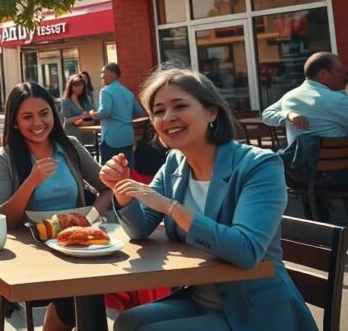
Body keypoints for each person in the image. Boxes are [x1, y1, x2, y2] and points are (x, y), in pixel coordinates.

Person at [101, 68, 315, 330]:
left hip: (255, 310)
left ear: (211, 111)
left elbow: (246, 251)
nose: (168, 117)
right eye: (158, 111)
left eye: (180, 105)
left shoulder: (259, 165)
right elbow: (140, 229)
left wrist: (172, 208)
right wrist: (123, 193)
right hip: (198, 298)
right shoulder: (174, 163)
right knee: (127, 321)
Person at [0, 82, 112, 330]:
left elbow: (108, 187)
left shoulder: (71, 147)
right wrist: (31, 181)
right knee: (83, 286)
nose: (38, 122)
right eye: (27, 117)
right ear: (14, 122)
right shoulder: (3, 157)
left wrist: (92, 215)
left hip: (78, 244)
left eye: (44, 114)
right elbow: (1, 218)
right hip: (32, 250)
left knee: (90, 280)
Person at [262, 52, 348, 193]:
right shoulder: (337, 100)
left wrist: (287, 114)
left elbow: (266, 114)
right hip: (336, 177)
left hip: (297, 177)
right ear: (323, 73)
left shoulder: (290, 96)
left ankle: (316, 213)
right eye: (339, 70)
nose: (344, 74)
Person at [91, 63, 144, 163]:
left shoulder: (106, 91)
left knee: (110, 172)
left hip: (112, 139)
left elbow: (105, 112)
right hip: (128, 137)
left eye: (103, 72)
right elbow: (139, 111)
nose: (101, 76)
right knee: (127, 170)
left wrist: (93, 115)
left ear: (113, 74)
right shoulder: (128, 93)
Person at [60, 74, 95, 142]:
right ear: (70, 86)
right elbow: (65, 120)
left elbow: (92, 118)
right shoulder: (66, 101)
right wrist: (82, 116)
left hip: (87, 137)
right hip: (73, 137)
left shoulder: (87, 100)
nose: (79, 87)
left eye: (81, 85)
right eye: (76, 85)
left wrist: (83, 123)